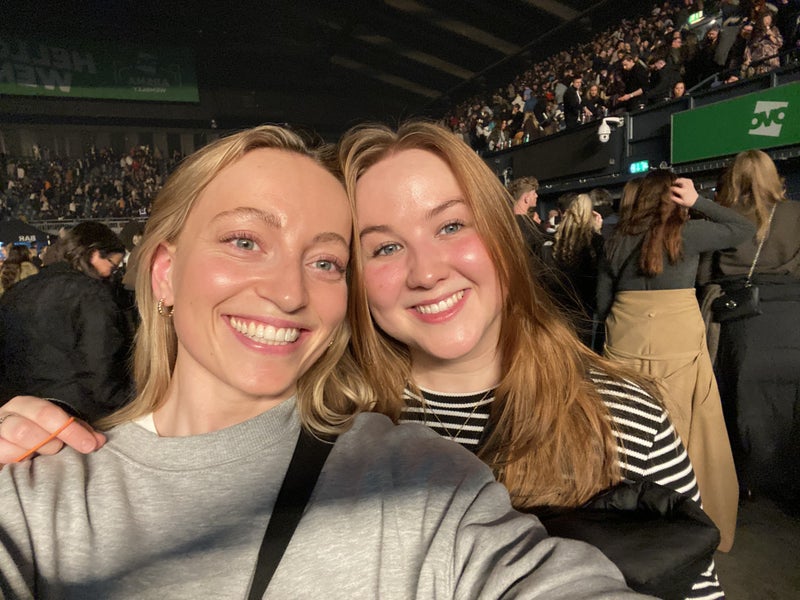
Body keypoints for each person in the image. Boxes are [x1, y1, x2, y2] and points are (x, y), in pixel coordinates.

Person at [0, 125, 647, 599]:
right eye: (245, 240)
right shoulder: (34, 495)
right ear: (164, 272)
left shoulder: (420, 476)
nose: (290, 292)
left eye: (325, 261)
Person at [338, 121, 722, 598]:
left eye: (451, 226)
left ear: (501, 235)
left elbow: (697, 587)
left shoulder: (623, 417)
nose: (427, 272)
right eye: (386, 247)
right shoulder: (331, 426)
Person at [597, 169, 756, 553]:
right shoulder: (688, 234)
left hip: (626, 335)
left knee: (624, 428)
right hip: (678, 339)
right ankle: (688, 519)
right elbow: (743, 228)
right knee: (688, 430)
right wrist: (698, 201)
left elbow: (601, 305)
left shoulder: (613, 240)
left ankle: (624, 519)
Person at [699, 149, 800, 514]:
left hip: (740, 320)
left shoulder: (724, 218)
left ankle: (745, 481)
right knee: (789, 402)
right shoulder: (796, 212)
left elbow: (704, 275)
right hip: (790, 316)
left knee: (737, 400)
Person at [0, 222, 134, 422]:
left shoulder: (17, 291)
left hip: (16, 413)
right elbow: (100, 369)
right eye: (112, 266)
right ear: (94, 254)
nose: (110, 274)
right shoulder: (91, 295)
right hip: (75, 416)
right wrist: (131, 403)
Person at [544, 194, 604, 348]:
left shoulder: (556, 239)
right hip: (585, 305)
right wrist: (598, 231)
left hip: (560, 303)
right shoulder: (595, 241)